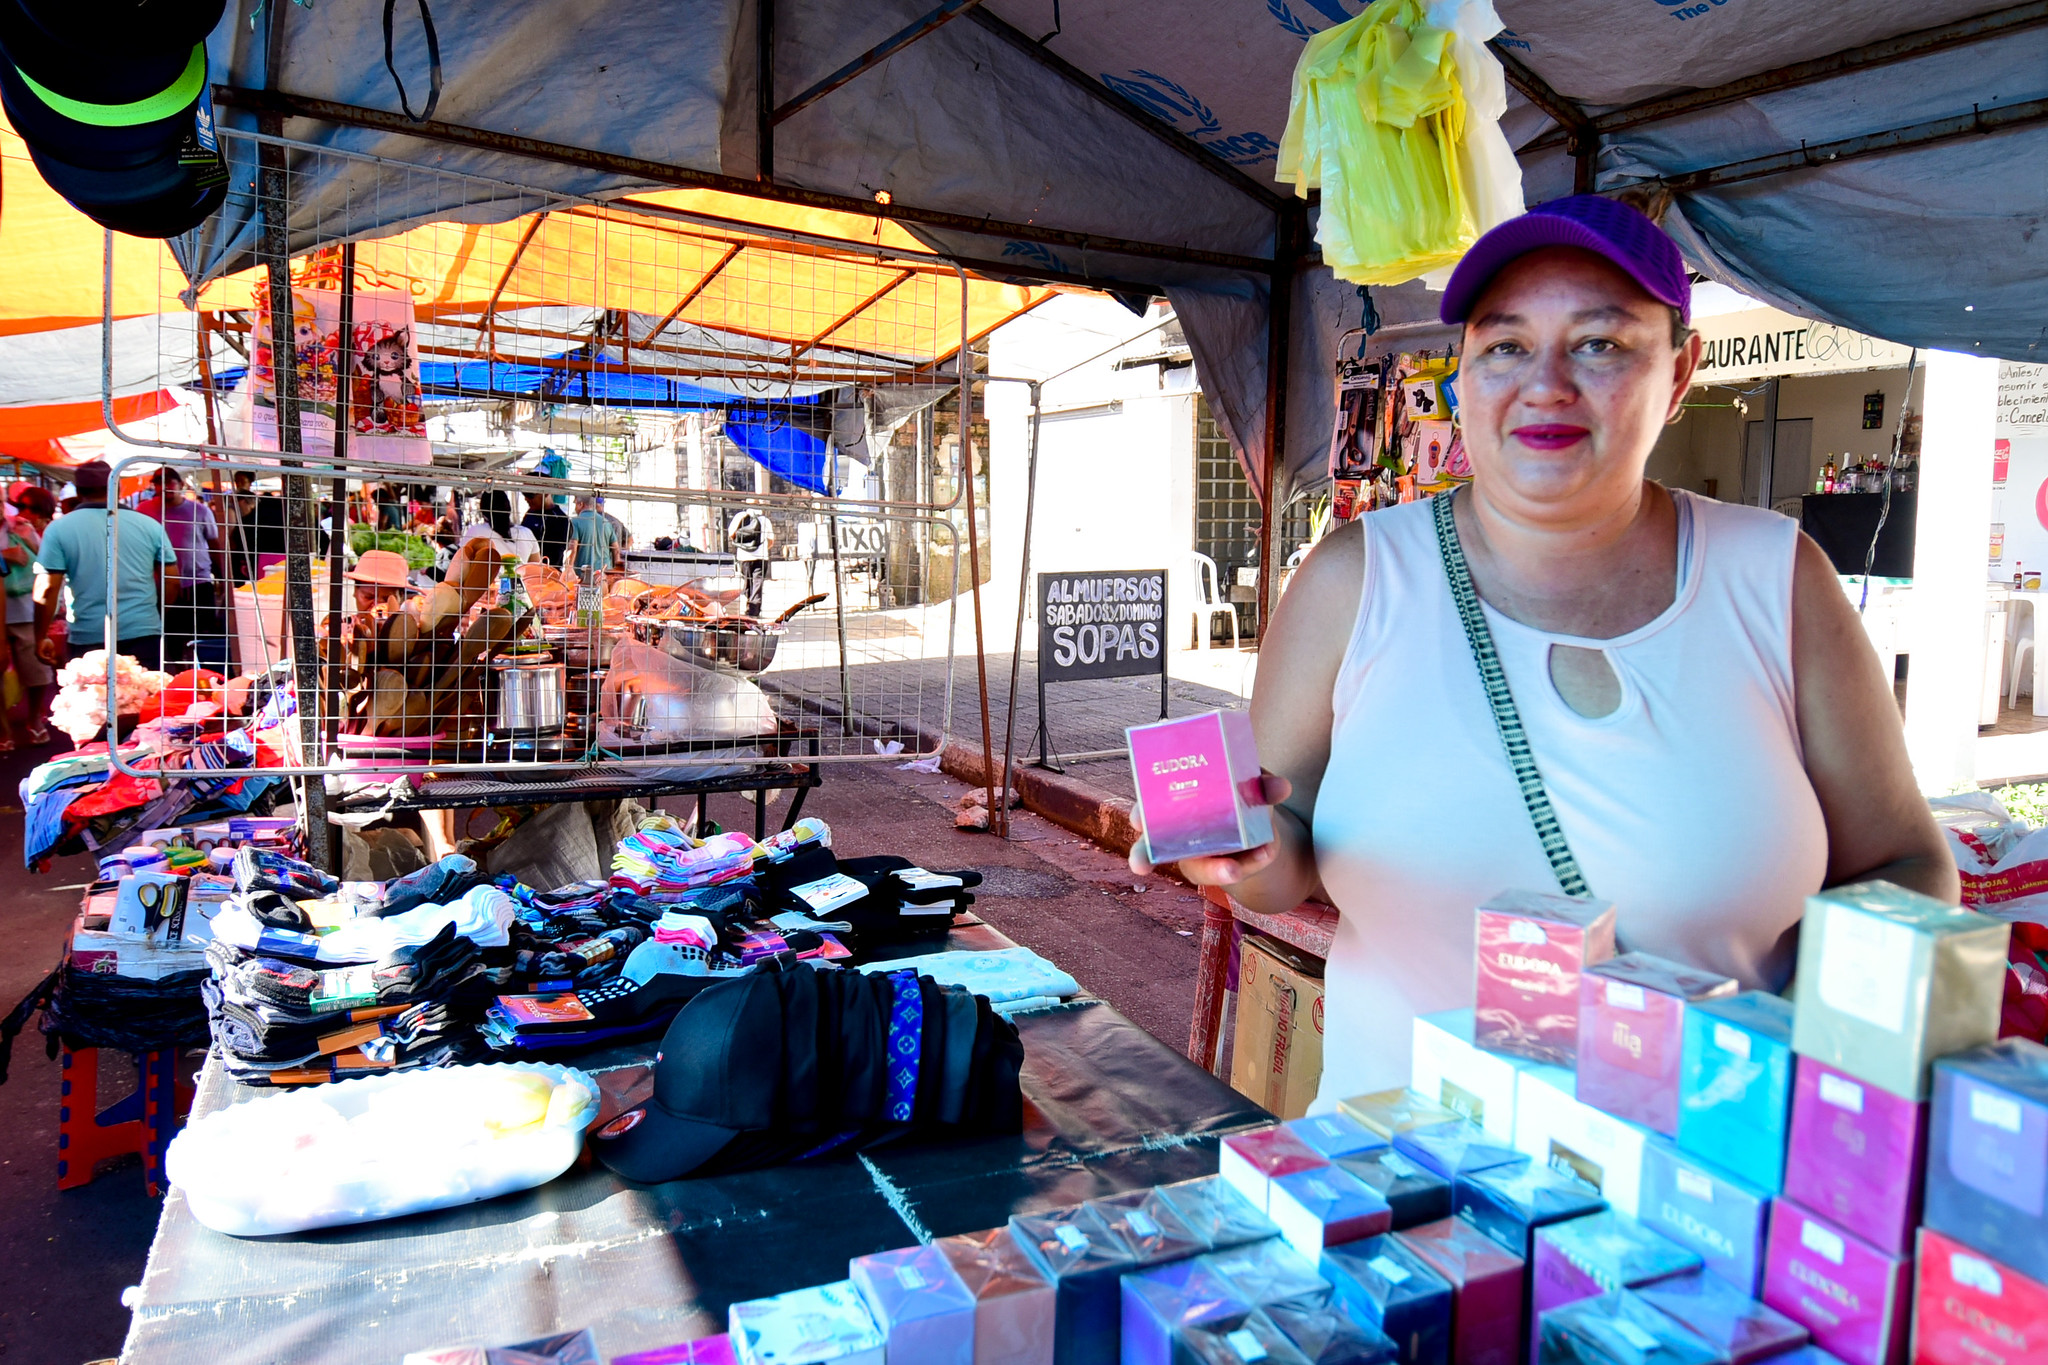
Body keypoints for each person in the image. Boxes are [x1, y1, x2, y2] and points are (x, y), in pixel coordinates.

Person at [1137, 195, 1957, 1105]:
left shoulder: (1777, 578)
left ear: (1680, 373)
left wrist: (1811, 1056)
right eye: (1506, 345)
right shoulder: (1353, 579)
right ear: (1464, 377)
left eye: (1600, 343)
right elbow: (1281, 855)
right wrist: (1238, 849)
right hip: (1398, 1194)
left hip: (1700, 1195)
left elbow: (1906, 865)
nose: (1547, 384)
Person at [34, 460, 177, 669]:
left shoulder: (59, 529)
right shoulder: (149, 525)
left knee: (95, 701)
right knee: (146, 700)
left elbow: (47, 589)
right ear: (117, 488)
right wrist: (152, 615)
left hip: (89, 637)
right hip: (144, 634)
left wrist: (39, 636)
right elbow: (171, 580)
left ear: (79, 491)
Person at [137, 468, 225, 670]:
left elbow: (214, 546)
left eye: (170, 482)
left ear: (181, 485)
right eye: (159, 482)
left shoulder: (200, 511)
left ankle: (205, 678)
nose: (165, 487)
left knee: (203, 637)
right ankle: (178, 679)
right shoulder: (144, 510)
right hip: (161, 587)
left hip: (198, 584)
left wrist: (223, 579)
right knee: (170, 638)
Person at [3, 483, 56, 746]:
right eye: (19, 506)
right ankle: (4, 730)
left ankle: (34, 717)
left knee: (36, 671)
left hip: (24, 607)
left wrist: (28, 538)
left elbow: (46, 562)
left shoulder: (19, 527)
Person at [727, 506, 774, 617]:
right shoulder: (764, 519)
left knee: (747, 582)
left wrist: (742, 544)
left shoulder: (739, 516)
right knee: (758, 582)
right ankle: (755, 610)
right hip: (761, 556)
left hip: (744, 556)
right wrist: (763, 549)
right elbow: (771, 540)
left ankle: (749, 605)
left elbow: (731, 534)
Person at [565, 493, 623, 577]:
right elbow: (616, 550)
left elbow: (573, 548)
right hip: (604, 573)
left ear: (581, 504)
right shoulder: (606, 522)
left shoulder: (575, 522)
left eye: (575, 503)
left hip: (583, 574)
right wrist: (616, 571)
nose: (575, 507)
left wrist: (569, 569)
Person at [522, 487, 570, 567]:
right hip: (527, 570)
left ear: (546, 493)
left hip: (548, 572)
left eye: (530, 495)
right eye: (524, 494)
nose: (526, 499)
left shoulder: (560, 519)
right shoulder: (530, 514)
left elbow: (556, 554)